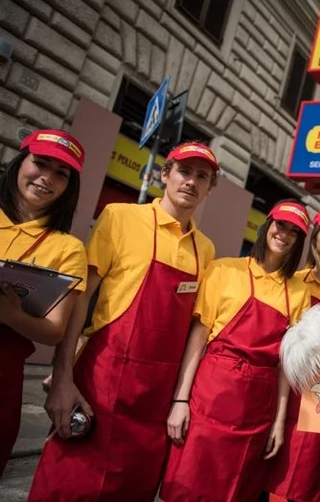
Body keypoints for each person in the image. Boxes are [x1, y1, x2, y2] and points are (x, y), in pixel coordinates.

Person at [28, 142, 219, 501]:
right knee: (69, 484)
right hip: (100, 381)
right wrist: (63, 374)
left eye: (202, 176)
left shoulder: (204, 250)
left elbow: (196, 328)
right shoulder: (120, 217)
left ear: (210, 187)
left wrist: (180, 400)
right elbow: (81, 297)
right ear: (165, 174)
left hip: (154, 401)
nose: (191, 182)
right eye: (184, 171)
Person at [161, 200, 312, 502]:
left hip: (257, 411)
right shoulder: (224, 270)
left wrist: (279, 421)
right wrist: (180, 400)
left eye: (294, 232)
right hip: (209, 399)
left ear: (298, 242)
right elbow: (198, 339)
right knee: (189, 487)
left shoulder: (298, 292)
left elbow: (286, 364)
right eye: (281, 224)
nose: (284, 234)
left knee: (236, 490)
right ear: (267, 225)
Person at [0, 130, 88, 477]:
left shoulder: (67, 249)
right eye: (40, 163)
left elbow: (54, 331)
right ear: (21, 162)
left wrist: (9, 314)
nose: (47, 178)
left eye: (61, 173)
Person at [264, 206, 320, 502]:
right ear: (315, 238)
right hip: (291, 393)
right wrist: (278, 417)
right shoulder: (295, 282)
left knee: (316, 484)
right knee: (278, 477)